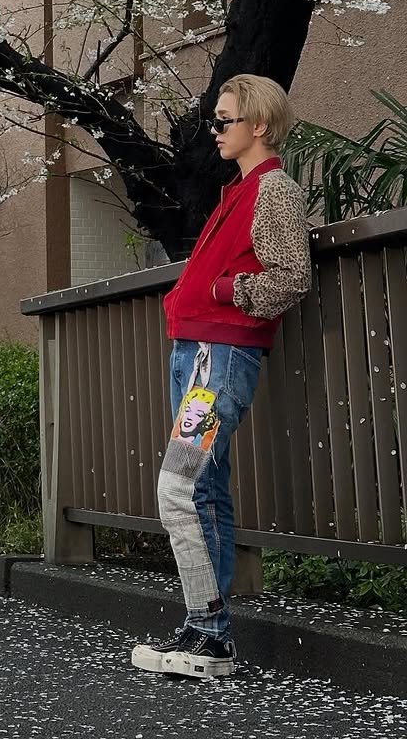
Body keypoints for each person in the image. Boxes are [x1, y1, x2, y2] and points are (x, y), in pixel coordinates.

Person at [131, 74, 312, 681]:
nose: (214, 131)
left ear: (259, 124)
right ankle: (204, 627)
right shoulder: (238, 191)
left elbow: (290, 276)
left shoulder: (272, 190)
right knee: (201, 488)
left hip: (216, 357)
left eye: (224, 121)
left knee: (179, 485)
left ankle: (210, 633)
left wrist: (222, 289)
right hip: (199, 353)